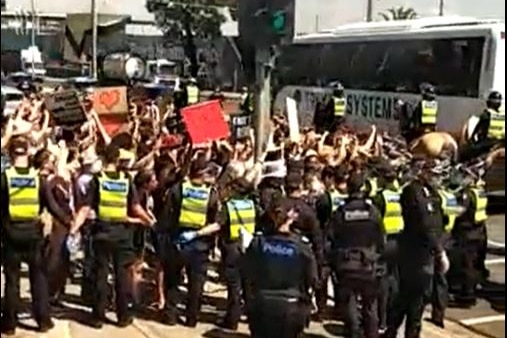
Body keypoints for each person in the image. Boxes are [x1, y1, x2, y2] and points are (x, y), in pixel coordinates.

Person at [71, 144, 154, 328]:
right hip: (122, 234)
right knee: (122, 276)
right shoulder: (126, 179)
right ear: (117, 160)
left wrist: (74, 228)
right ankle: (123, 317)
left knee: (100, 274)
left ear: (104, 159)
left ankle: (98, 316)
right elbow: (135, 207)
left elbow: (85, 208)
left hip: (101, 232)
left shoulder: (97, 180)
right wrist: (149, 220)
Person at [383, 161, 449, 338]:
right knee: (411, 298)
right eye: (435, 174)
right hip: (413, 254)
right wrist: (440, 252)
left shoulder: (432, 193)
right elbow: (425, 222)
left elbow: (440, 220)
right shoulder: (413, 191)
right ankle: (396, 331)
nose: (438, 179)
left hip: (425, 254)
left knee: (413, 301)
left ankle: (399, 331)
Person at [243, 195, 318, 338]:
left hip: (262, 304)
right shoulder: (302, 246)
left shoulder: (258, 243)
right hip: (291, 305)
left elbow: (246, 273)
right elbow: (313, 279)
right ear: (292, 217)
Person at [1, 137, 54, 335]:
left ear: (10, 153)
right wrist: (71, 223)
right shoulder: (37, 179)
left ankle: (9, 325)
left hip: (11, 235)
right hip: (34, 235)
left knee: (12, 281)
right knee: (39, 279)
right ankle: (43, 321)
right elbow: (52, 206)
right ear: (28, 152)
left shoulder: (5, 177)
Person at [160, 157, 220, 327]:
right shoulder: (211, 194)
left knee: (173, 280)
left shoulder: (177, 189)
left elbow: (166, 216)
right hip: (200, 244)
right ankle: (192, 318)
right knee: (196, 283)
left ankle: (170, 315)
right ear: (201, 173)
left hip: (178, 241)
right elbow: (215, 221)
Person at [327, 171, 385, 338]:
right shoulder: (373, 212)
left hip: (346, 265)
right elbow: (381, 239)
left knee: (350, 304)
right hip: (368, 265)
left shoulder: (341, 212)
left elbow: (330, 239)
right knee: (370, 306)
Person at [217, 177, 257, 330]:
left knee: (234, 287)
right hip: (248, 248)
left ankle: (232, 320)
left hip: (232, 247)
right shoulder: (251, 205)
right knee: (248, 286)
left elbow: (218, 224)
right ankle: (252, 318)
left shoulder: (229, 206)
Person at [372, 162, 404, 333]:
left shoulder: (380, 197)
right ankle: (392, 315)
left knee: (382, 282)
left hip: (384, 242)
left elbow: (375, 221)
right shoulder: (400, 194)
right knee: (394, 280)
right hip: (399, 240)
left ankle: (382, 319)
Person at [314, 164, 348, 318]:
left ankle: (321, 309)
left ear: (330, 179)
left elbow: (318, 219)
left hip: (327, 241)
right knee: (340, 278)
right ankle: (340, 309)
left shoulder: (325, 198)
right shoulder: (347, 197)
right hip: (343, 241)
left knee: (323, 276)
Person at [451, 176, 488, 305]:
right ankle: (471, 290)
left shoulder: (468, 194)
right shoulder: (480, 192)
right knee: (474, 264)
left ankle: (467, 296)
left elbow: (460, 211)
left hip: (467, 233)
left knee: (467, 265)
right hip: (478, 231)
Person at [463, 91, 505, 160]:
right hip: (502, 142)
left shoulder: (487, 114)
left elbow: (477, 128)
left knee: (468, 151)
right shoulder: (503, 114)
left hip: (488, 142)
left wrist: (472, 138)